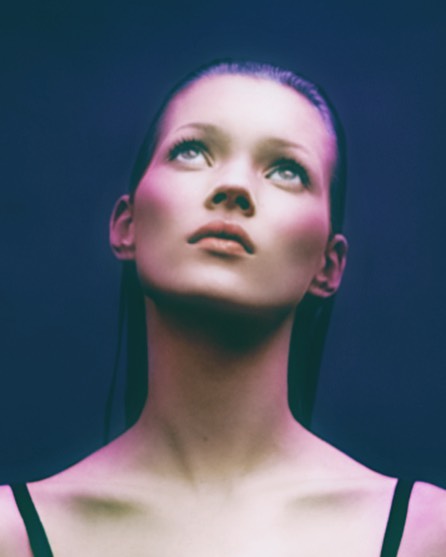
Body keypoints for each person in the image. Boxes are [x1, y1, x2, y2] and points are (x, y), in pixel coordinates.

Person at [1, 60, 445, 557]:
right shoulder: (12, 532)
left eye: (286, 170)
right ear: (127, 225)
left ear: (329, 264)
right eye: (192, 151)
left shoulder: (427, 535)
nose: (234, 187)